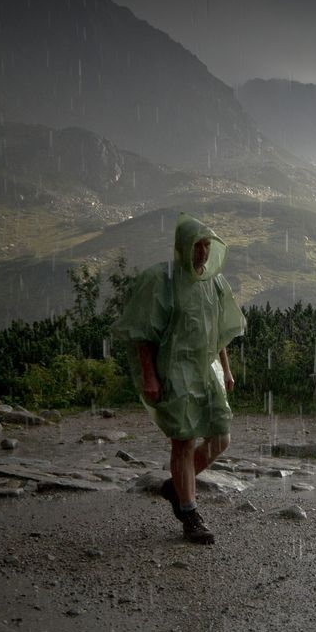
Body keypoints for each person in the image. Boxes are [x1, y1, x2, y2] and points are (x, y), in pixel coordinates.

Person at [112, 213, 245, 544]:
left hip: (207, 366)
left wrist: (226, 369)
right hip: (174, 367)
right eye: (195, 245)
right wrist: (150, 375)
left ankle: (175, 487)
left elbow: (219, 334)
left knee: (220, 438)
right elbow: (144, 331)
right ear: (182, 247)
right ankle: (189, 514)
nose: (201, 252)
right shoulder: (164, 280)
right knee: (184, 439)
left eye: (205, 245)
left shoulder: (214, 282)